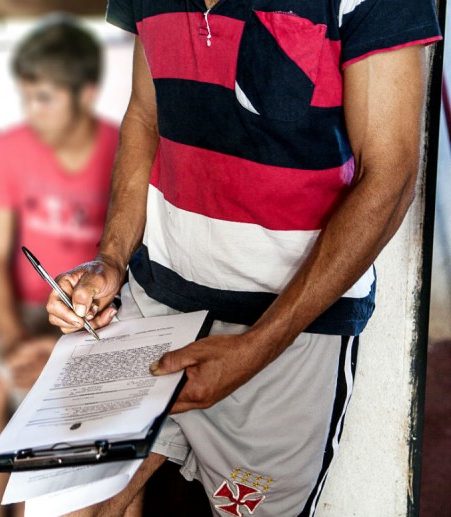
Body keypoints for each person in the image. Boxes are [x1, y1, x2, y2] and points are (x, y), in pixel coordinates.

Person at [45, 0, 442, 516]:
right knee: (68, 503)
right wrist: (111, 260)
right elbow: (145, 115)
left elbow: (389, 175)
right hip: (154, 299)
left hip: (289, 332)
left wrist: (258, 346)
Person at [0, 16, 120, 517]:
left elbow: (128, 265)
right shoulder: (6, 150)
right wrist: (12, 336)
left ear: (86, 93)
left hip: (90, 317)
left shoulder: (121, 151)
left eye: (45, 98)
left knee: (48, 397)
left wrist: (55, 349)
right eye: (26, 96)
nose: (32, 112)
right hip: (24, 312)